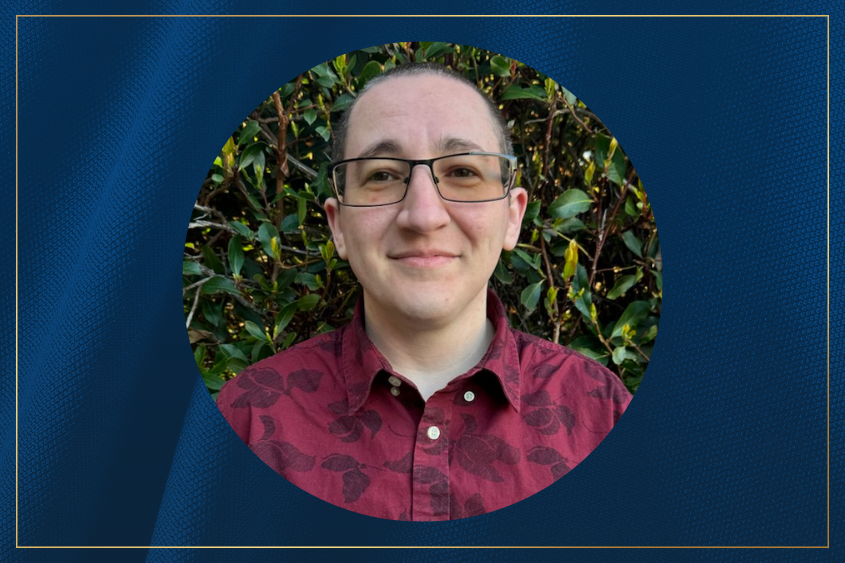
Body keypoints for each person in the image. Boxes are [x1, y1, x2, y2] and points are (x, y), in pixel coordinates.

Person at [217, 63, 632, 521]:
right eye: (381, 175)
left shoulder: (602, 414)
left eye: (462, 171)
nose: (423, 215)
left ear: (512, 217)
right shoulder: (248, 419)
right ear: (339, 226)